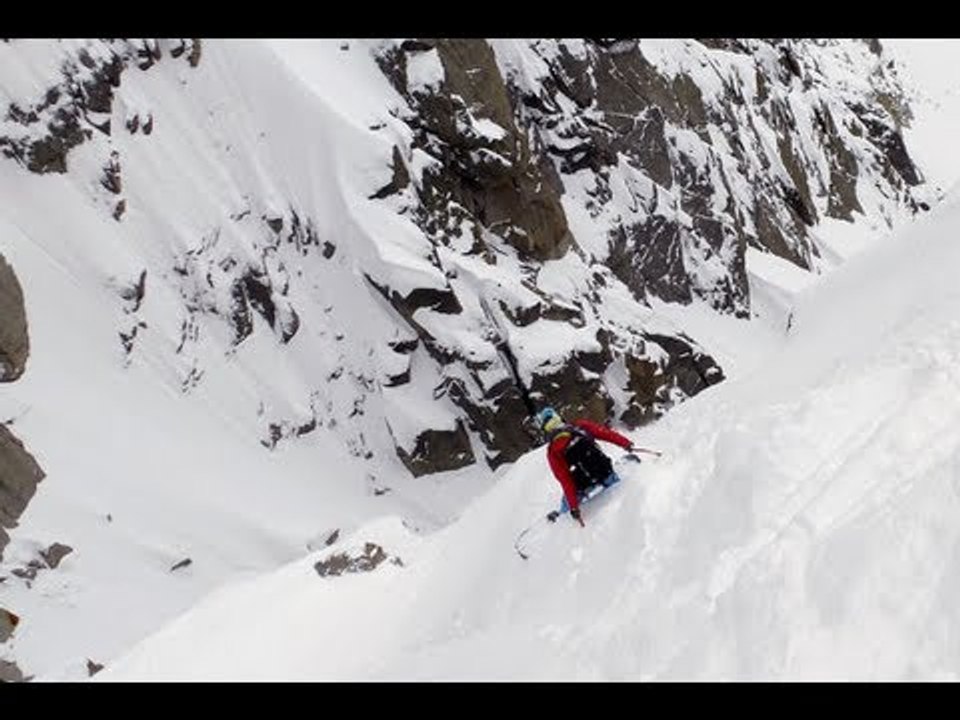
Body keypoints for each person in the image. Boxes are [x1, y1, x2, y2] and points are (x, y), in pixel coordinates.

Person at [536, 406, 634, 527]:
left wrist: (574, 507)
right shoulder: (579, 427)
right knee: (617, 484)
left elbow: (565, 480)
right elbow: (605, 433)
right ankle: (626, 467)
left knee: (566, 501)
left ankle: (561, 515)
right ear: (559, 418)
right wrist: (625, 443)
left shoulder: (552, 451)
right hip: (604, 472)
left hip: (582, 485)